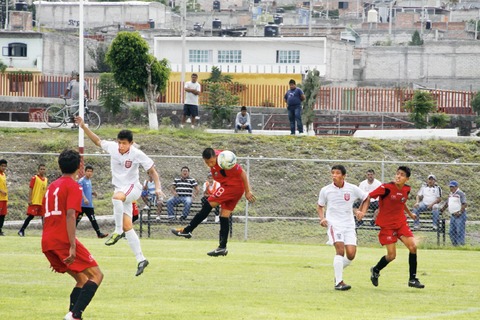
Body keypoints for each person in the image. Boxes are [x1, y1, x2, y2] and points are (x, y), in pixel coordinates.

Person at [75, 116, 164, 276]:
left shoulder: (137, 153)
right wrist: (83, 127)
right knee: (128, 226)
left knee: (116, 198)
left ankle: (117, 232)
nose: (121, 146)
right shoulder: (112, 148)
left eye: (124, 143)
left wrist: (158, 188)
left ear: (131, 143)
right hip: (121, 190)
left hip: (132, 188)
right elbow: (97, 141)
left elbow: (153, 172)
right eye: (119, 142)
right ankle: (141, 259)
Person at [41, 149, 103, 320]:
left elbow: (44, 215)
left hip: (47, 240)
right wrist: (72, 246)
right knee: (97, 275)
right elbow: (70, 215)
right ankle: (76, 315)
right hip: (62, 240)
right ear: (79, 167)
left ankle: (71, 315)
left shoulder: (52, 186)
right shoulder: (73, 186)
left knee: (82, 279)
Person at [171, 148, 256, 256]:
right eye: (207, 162)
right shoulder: (212, 156)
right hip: (232, 188)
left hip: (232, 187)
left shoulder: (224, 160)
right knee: (224, 216)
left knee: (208, 204)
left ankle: (187, 230)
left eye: (211, 161)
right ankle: (222, 248)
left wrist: (248, 191)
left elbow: (243, 173)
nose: (210, 164)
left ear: (216, 157)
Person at [368, 166, 425, 289]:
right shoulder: (386, 188)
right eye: (397, 173)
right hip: (387, 226)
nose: (398, 176)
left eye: (402, 175)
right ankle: (376, 270)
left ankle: (413, 279)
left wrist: (410, 214)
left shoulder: (406, 189)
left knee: (413, 247)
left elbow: (401, 202)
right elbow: (368, 196)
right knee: (391, 256)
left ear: (407, 179)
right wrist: (361, 210)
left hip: (400, 223)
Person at [317, 165, 370, 291]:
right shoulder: (326, 190)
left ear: (344, 176)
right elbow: (320, 206)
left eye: (337, 173)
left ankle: (337, 273)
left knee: (351, 255)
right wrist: (322, 218)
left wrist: (362, 212)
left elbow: (366, 198)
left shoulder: (351, 188)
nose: (334, 175)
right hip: (334, 224)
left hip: (349, 224)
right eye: (333, 173)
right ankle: (339, 282)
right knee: (340, 251)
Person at [75, 165, 108, 238]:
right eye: (88, 171)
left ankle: (99, 233)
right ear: (85, 172)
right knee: (77, 219)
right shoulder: (81, 181)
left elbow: (86, 190)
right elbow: (80, 191)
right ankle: (70, 233)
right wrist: (84, 198)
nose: (89, 173)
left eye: (91, 171)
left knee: (93, 219)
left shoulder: (89, 181)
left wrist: (92, 193)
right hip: (82, 204)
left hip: (89, 205)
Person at [18, 164, 48, 237]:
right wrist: (30, 199)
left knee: (44, 217)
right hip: (35, 200)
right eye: (41, 169)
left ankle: (45, 233)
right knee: (31, 216)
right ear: (38, 170)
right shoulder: (35, 178)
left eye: (44, 169)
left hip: (42, 201)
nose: (42, 170)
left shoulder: (46, 179)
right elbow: (31, 188)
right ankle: (21, 230)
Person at [440, 180, 467, 246]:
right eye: (450, 187)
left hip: (460, 215)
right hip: (453, 215)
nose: (451, 188)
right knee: (451, 231)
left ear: (456, 187)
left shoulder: (460, 193)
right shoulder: (450, 194)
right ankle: (455, 245)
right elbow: (447, 203)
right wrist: (442, 210)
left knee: (459, 231)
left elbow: (464, 204)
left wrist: (460, 212)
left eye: (453, 187)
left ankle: (461, 244)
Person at [0, 159, 8, 236]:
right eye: (2, 166)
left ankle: (0, 229)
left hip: (4, 198)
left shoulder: (4, 174)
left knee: (3, 215)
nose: (3, 167)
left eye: (5, 166)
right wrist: (1, 191)